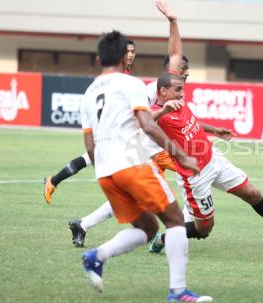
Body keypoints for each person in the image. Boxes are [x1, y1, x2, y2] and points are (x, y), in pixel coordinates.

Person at [79, 5, 212, 303]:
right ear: (125, 56)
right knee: (176, 220)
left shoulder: (88, 94)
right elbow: (148, 124)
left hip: (106, 172)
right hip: (133, 164)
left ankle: (96, 256)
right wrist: (181, 155)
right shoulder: (131, 84)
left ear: (99, 58)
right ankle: (178, 292)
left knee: (148, 227)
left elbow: (89, 146)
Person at [148, 72, 263, 254]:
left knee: (253, 194)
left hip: (214, 160)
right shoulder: (157, 113)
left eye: (183, 89)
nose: (182, 94)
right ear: (163, 91)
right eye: (178, 90)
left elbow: (191, 122)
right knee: (204, 229)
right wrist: (165, 110)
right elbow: (146, 121)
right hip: (194, 176)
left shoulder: (178, 102)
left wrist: (214, 130)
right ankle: (163, 239)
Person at [67, 55, 189, 248]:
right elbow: (143, 120)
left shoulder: (177, 89)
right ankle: (183, 229)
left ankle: (83, 224)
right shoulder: (151, 89)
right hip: (148, 149)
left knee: (132, 196)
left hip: (154, 148)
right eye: (183, 68)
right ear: (170, 68)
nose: (186, 72)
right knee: (193, 174)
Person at [43, 38, 136, 205]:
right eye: (127, 52)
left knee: (88, 158)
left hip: (114, 131)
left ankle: (53, 181)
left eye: (133, 52)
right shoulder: (116, 76)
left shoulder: (126, 76)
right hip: (107, 128)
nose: (130, 55)